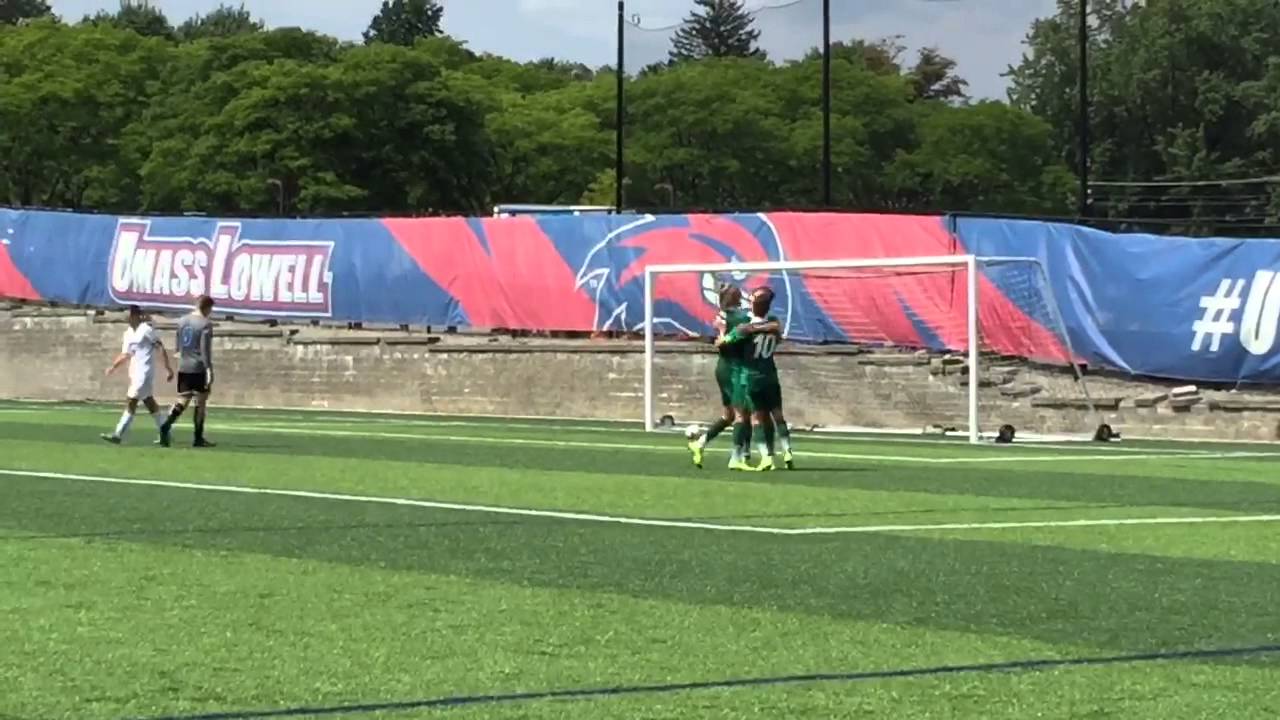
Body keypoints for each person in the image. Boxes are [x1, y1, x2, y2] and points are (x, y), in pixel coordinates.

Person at [717, 286, 795, 471]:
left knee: (751, 417)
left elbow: (722, 343)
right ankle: (787, 452)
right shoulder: (774, 323)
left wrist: (722, 331)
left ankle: (761, 457)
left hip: (750, 377)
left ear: (752, 305)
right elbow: (777, 332)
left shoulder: (744, 327)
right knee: (777, 415)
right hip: (770, 375)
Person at [689, 283, 753, 469]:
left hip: (723, 367)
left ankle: (700, 442)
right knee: (742, 414)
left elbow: (718, 341)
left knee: (729, 415)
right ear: (737, 298)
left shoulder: (720, 316)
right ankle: (737, 457)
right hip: (736, 369)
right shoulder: (744, 317)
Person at [101, 305, 174, 445]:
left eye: (129, 314)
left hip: (145, 373)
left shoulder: (146, 330)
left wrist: (168, 368)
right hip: (135, 373)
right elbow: (126, 354)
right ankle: (166, 433)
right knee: (149, 403)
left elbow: (160, 347)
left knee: (131, 401)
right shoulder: (128, 333)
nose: (127, 317)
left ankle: (118, 433)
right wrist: (113, 366)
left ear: (136, 315)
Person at [159, 295, 216, 448]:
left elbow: (177, 343)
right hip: (198, 367)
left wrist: (180, 354)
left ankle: (166, 424)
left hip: (184, 365)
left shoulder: (182, 320)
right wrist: (209, 369)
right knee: (200, 402)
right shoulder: (205, 324)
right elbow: (205, 349)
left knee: (182, 399)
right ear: (207, 308)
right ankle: (198, 437)